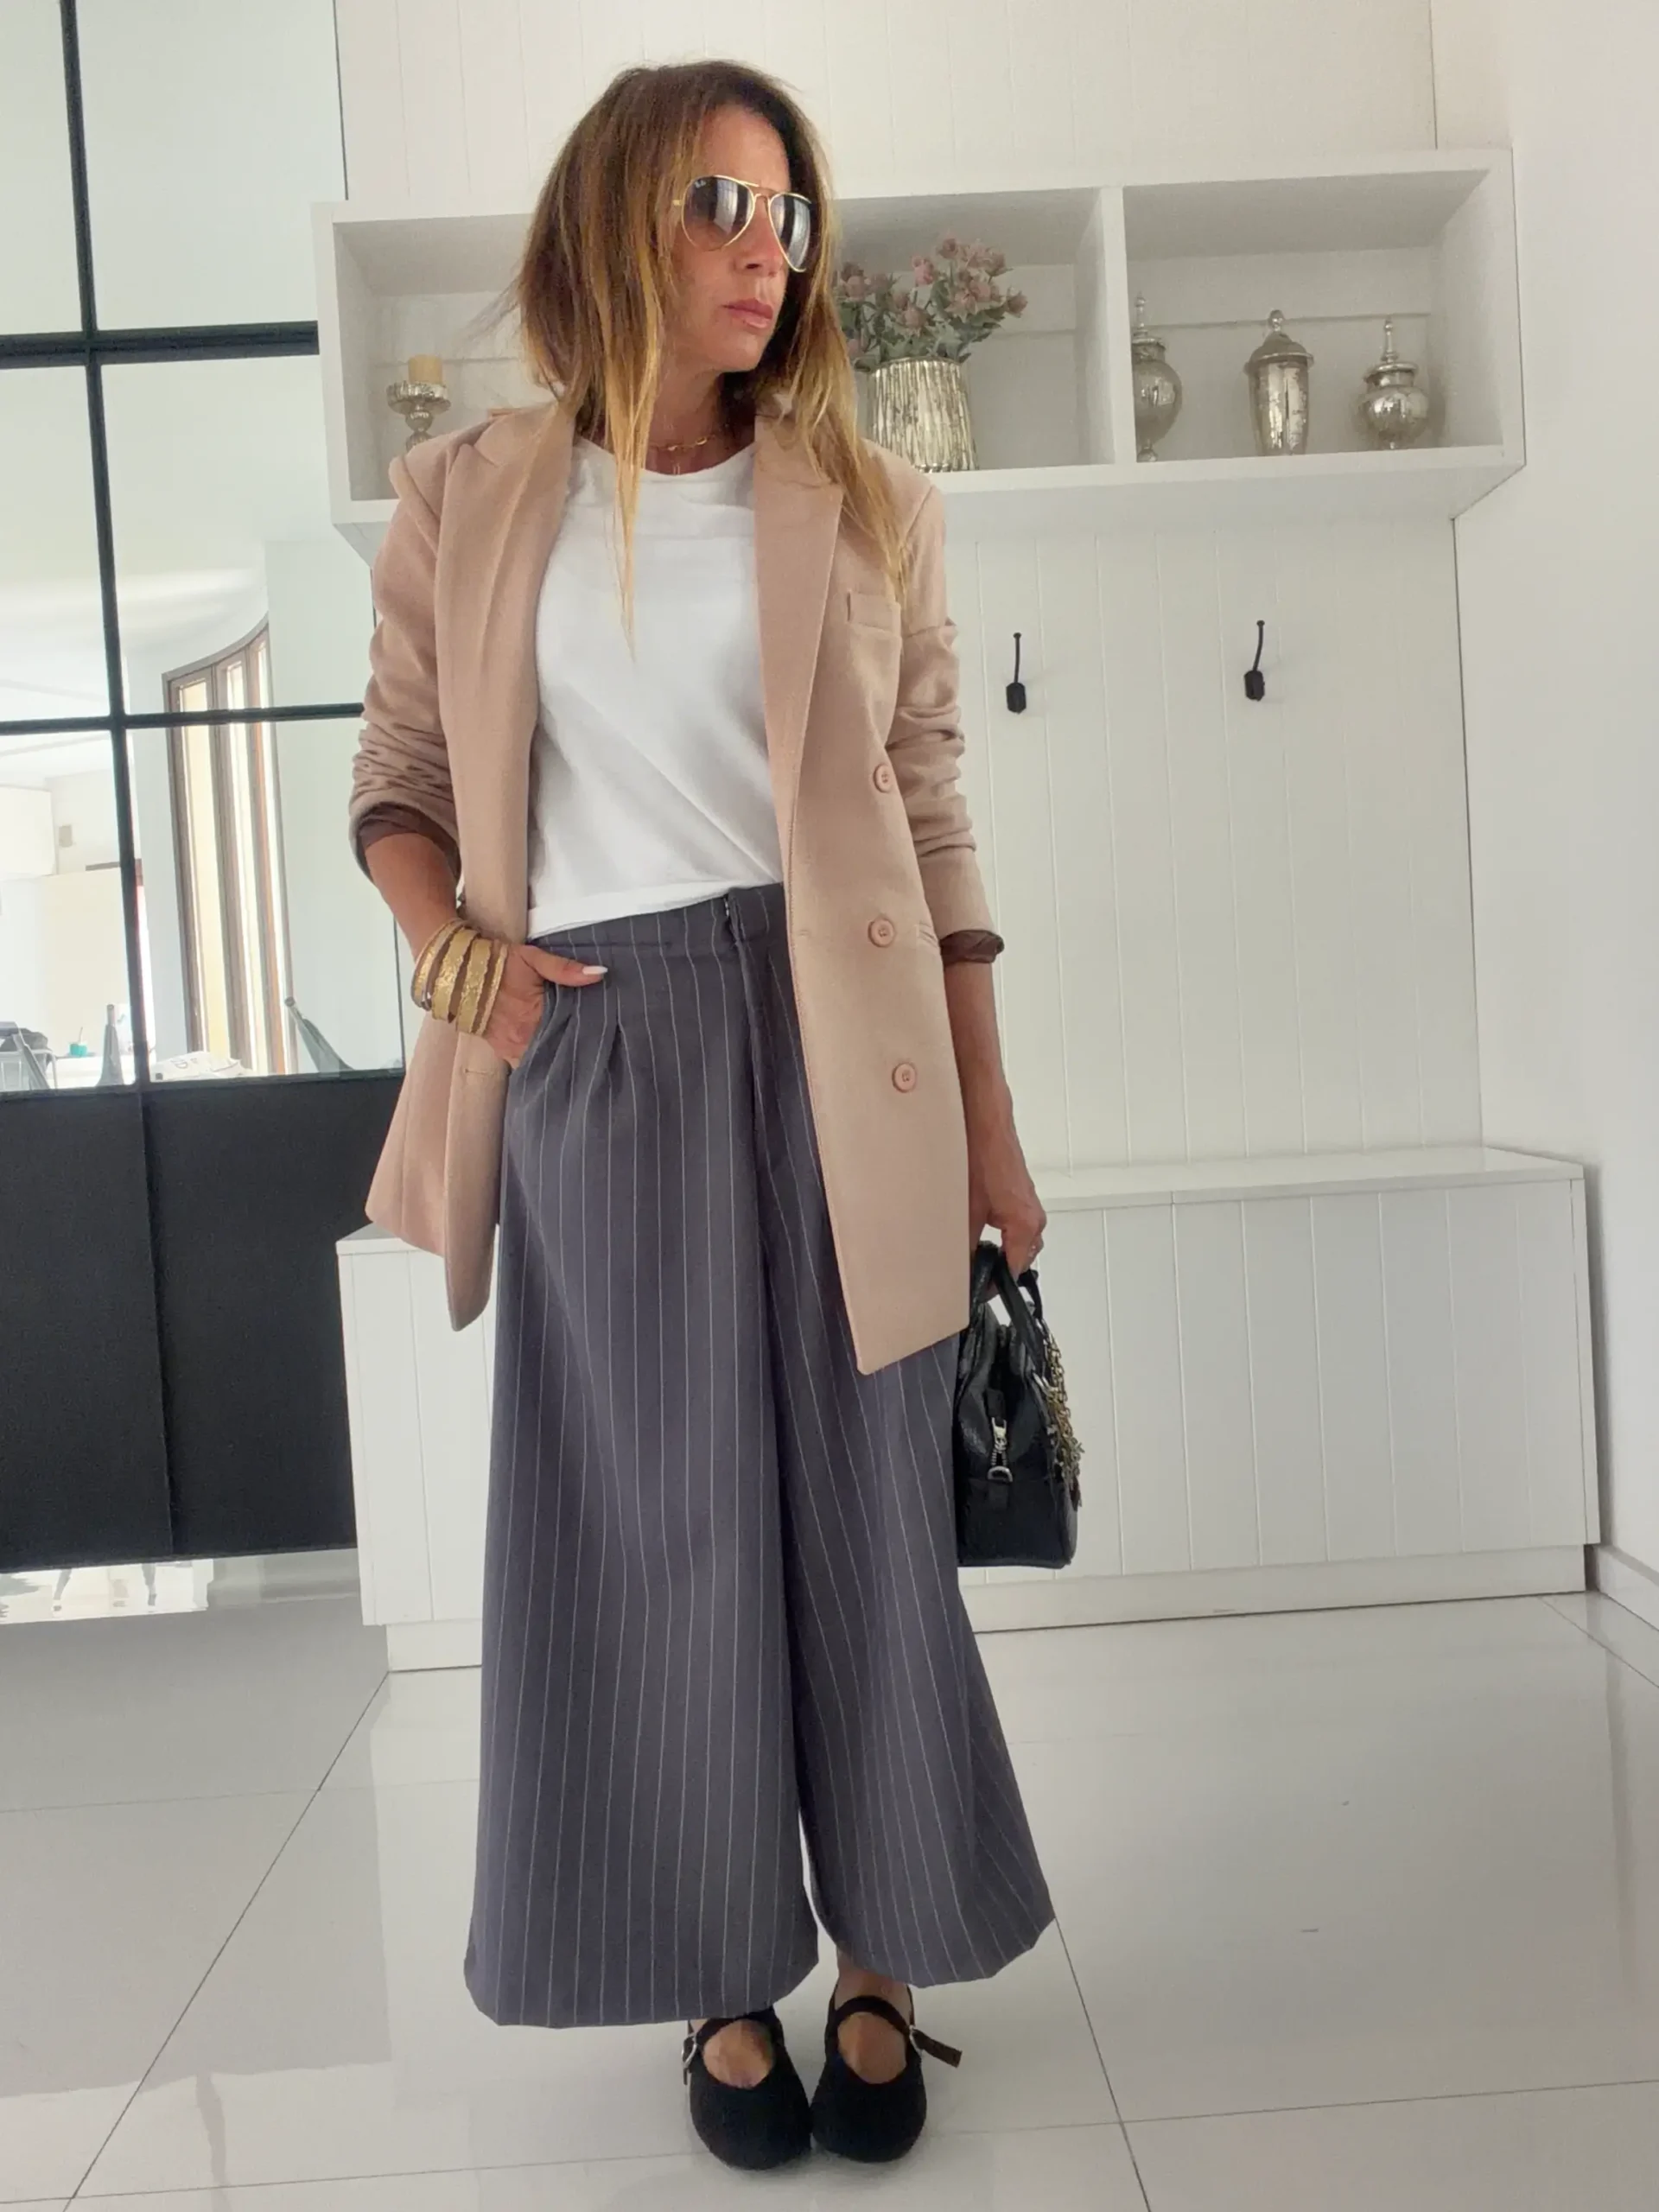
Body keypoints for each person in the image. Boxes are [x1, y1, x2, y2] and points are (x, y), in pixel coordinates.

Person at [348, 56, 1053, 2171]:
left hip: (848, 1043)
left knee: (867, 1515)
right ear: (614, 216)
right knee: (655, 1533)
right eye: (722, 206)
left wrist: (994, 1125)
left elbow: (931, 814)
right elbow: (401, 786)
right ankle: (713, 1972)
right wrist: (460, 962)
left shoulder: (869, 497)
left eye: (790, 214)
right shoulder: (469, 492)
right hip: (600, 1045)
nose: (770, 251)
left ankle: (885, 1965)